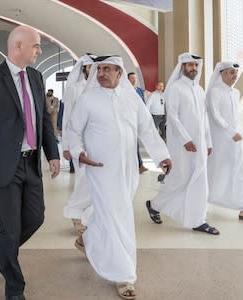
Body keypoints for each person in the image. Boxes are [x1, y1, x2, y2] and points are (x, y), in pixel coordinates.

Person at [0, 25, 60, 300]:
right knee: (11, 226)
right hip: (3, 165)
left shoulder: (36, 76)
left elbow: (42, 119)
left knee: (36, 217)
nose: (39, 50)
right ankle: (14, 287)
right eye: (36, 45)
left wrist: (52, 153)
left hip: (31, 164)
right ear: (17, 46)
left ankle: (2, 246)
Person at [68, 55, 172, 299]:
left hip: (127, 170)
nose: (101, 73)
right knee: (118, 217)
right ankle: (123, 275)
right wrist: (79, 152)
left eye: (107, 69)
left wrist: (162, 156)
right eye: (99, 69)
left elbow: (147, 129)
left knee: (117, 212)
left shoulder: (131, 98)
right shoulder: (88, 98)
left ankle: (88, 238)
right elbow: (73, 130)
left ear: (119, 73)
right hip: (100, 169)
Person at [146, 52, 219, 235]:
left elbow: (204, 119)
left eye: (196, 65)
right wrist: (186, 139)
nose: (193, 68)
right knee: (179, 179)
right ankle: (154, 205)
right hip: (181, 145)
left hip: (200, 144)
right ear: (183, 67)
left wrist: (208, 141)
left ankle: (198, 219)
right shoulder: (176, 88)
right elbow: (172, 116)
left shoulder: (200, 90)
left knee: (200, 180)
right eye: (189, 65)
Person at [206, 61, 243, 223]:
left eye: (235, 73)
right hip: (219, 141)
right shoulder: (214, 92)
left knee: (239, 172)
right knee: (213, 172)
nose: (234, 76)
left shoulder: (235, 92)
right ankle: (200, 201)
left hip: (234, 141)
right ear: (222, 73)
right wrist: (231, 132)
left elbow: (234, 116)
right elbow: (215, 116)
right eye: (231, 72)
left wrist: (239, 131)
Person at [61, 54, 96, 234]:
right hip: (78, 141)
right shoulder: (74, 89)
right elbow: (67, 117)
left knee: (94, 180)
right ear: (84, 69)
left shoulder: (100, 88)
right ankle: (76, 213)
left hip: (97, 141)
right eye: (91, 67)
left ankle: (88, 215)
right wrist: (66, 146)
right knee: (82, 177)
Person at [127, 71, 149, 174]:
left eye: (135, 78)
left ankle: (137, 164)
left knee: (134, 143)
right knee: (132, 144)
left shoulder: (140, 91)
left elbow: (143, 106)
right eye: (131, 78)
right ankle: (139, 165)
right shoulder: (124, 91)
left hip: (137, 120)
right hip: (128, 121)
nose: (134, 80)